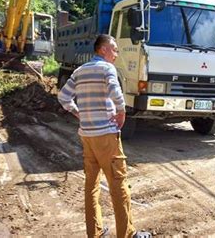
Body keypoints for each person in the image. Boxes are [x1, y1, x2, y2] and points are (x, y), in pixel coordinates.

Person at [57, 34, 150, 238]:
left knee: (91, 186)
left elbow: (63, 97)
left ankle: (95, 233)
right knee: (118, 185)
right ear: (102, 49)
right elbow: (116, 92)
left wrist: (78, 112)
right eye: (114, 49)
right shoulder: (107, 68)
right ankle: (127, 233)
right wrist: (121, 112)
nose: (116, 53)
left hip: (87, 136)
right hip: (106, 136)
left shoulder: (79, 71)